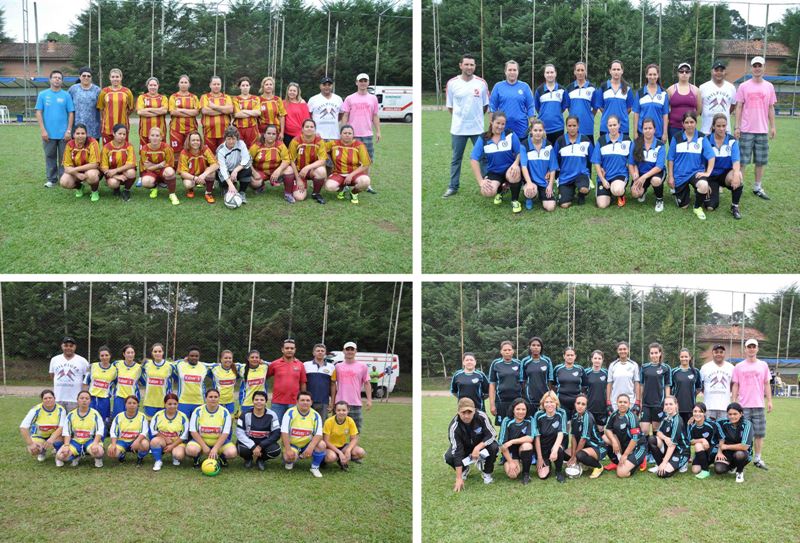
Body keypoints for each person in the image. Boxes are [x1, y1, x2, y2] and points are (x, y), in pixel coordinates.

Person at [442, 54, 489, 198]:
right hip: (458, 129)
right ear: (460, 65)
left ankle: (488, 184)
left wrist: (475, 118)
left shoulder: (481, 83)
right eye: (467, 64)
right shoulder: (452, 83)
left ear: (475, 67)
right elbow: (450, 107)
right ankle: (453, 186)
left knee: (483, 157)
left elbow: (485, 106)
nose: (469, 67)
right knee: (456, 158)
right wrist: (460, 119)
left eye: (472, 65)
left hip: (477, 129)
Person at [734, 56, 776, 200]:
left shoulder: (769, 86)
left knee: (760, 161)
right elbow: (739, 106)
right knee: (743, 161)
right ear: (751, 68)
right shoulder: (744, 86)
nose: (757, 68)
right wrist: (737, 127)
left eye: (760, 66)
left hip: (762, 130)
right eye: (755, 66)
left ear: (764, 68)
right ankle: (739, 185)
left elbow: (771, 107)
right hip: (746, 129)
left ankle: (757, 187)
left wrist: (773, 127)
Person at [470, 111, 524, 214]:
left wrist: (516, 163)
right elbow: (473, 159)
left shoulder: (510, 134)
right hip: (494, 172)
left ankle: (515, 200)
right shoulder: (484, 138)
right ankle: (500, 190)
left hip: (509, 168)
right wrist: (481, 181)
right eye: (497, 123)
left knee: (514, 173)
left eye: (503, 124)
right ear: (491, 122)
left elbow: (519, 151)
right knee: (487, 192)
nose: (500, 126)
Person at [731, 338, 771, 470]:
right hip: (743, 406)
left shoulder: (763, 365)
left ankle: (758, 458)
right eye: (749, 346)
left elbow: (766, 383)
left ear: (757, 348)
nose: (751, 349)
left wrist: (769, 400)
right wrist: (734, 401)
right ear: (745, 349)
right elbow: (735, 384)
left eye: (754, 346)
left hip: (759, 405)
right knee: (742, 434)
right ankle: (740, 457)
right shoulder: (739, 366)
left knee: (759, 433)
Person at [667, 110, 715, 220]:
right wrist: (670, 176)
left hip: (695, 173)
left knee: (703, 185)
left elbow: (711, 156)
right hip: (680, 175)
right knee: (683, 206)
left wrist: (707, 172)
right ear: (683, 124)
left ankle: (697, 207)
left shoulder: (702, 138)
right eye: (687, 122)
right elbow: (670, 159)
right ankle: (680, 193)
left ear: (696, 123)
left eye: (692, 122)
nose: (689, 125)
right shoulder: (676, 137)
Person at [444, 397, 499, 491]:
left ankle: (486, 472)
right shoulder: (454, 427)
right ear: (458, 412)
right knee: (449, 457)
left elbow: (492, 434)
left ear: (474, 411)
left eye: (469, 412)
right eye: (463, 412)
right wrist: (458, 478)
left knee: (494, 447)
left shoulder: (482, 416)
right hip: (465, 448)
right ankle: (464, 469)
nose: (466, 416)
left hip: (481, 446)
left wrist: (477, 448)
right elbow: (457, 451)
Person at [341, 72, 380, 193]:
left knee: (367, 160)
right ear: (356, 82)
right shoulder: (349, 98)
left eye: (365, 81)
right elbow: (345, 115)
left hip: (367, 134)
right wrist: (343, 131)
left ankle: (366, 183)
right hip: (352, 135)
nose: (363, 83)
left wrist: (378, 131)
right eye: (361, 81)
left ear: (368, 83)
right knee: (349, 160)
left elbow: (375, 115)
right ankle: (347, 182)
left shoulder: (373, 98)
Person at [36, 69, 75, 188]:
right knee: (50, 156)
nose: (57, 79)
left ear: (62, 81)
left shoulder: (66, 95)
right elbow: (38, 112)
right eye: (55, 77)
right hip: (48, 134)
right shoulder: (43, 95)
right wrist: (43, 130)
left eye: (59, 78)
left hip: (64, 134)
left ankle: (64, 177)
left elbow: (71, 113)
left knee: (64, 158)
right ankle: (52, 179)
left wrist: (69, 130)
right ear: (50, 79)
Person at [705, 114, 743, 219]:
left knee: (738, 176)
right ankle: (712, 192)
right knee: (710, 207)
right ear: (713, 126)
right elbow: (702, 163)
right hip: (711, 176)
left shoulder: (732, 141)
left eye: (724, 126)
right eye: (718, 126)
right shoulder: (706, 140)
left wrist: (735, 174)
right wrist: (705, 181)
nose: (721, 128)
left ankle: (734, 206)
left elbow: (736, 161)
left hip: (725, 175)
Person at [187, 389, 237, 468]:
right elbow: (193, 431)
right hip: (202, 441)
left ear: (219, 398)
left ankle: (222, 459)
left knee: (232, 452)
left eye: (215, 397)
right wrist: (204, 446)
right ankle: (197, 458)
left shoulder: (225, 412)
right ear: (205, 398)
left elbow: (225, 433)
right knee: (191, 449)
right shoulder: (198, 411)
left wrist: (215, 448)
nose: (213, 399)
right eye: (210, 397)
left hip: (218, 441)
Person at [550, 115, 593, 207]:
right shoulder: (560, 141)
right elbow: (554, 160)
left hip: (581, 174)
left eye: (574, 125)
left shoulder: (585, 140)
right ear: (566, 126)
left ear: (578, 126)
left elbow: (592, 158)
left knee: (584, 189)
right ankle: (570, 191)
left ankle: (581, 194)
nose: (572, 128)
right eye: (569, 126)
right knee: (564, 205)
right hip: (565, 176)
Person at [281, 391, 326, 478]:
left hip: (307, 444)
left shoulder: (316, 415)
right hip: (293, 444)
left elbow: (318, 434)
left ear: (311, 402)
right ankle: (291, 461)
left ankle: (315, 467)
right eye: (302, 400)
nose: (305, 402)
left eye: (307, 400)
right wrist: (288, 449)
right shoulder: (289, 413)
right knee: (288, 457)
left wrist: (310, 447)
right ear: (297, 401)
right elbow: (284, 432)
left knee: (322, 445)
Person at [323, 125, 372, 204]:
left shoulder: (359, 145)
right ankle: (342, 189)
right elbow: (320, 148)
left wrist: (351, 175)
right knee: (329, 187)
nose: (347, 135)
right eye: (345, 133)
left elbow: (366, 164)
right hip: (338, 173)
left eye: (350, 133)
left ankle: (354, 192)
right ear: (340, 134)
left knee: (366, 181)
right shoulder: (333, 144)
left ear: (353, 135)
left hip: (355, 173)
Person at [489, 60, 535, 143]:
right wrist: (492, 124)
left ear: (518, 72)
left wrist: (532, 123)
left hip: (521, 127)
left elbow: (530, 106)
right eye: (510, 70)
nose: (512, 72)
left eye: (514, 70)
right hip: (503, 127)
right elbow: (492, 106)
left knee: (521, 152)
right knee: (505, 153)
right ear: (505, 72)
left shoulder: (525, 86)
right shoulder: (498, 86)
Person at [56, 390, 105, 468]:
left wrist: (95, 443)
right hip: (76, 440)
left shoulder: (95, 414)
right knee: (61, 456)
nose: (84, 400)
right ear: (77, 400)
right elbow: (67, 432)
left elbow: (100, 430)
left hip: (90, 440)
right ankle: (76, 455)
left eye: (87, 398)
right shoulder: (71, 414)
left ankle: (98, 459)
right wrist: (66, 445)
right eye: (81, 398)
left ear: (90, 401)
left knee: (99, 452)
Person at [592, 114, 632, 208]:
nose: (613, 127)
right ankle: (608, 192)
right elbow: (597, 162)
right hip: (605, 176)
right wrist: (602, 179)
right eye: (610, 125)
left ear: (619, 125)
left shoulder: (627, 140)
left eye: (615, 125)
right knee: (602, 205)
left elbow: (631, 161)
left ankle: (620, 194)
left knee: (617, 190)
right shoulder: (601, 141)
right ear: (607, 126)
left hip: (620, 174)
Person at [602, 393, 646, 477]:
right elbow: (607, 429)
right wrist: (614, 441)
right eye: (620, 402)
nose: (622, 404)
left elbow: (635, 439)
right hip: (624, 445)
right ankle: (618, 460)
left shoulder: (632, 417)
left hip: (637, 447)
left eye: (625, 402)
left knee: (621, 473)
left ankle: (639, 459)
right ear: (617, 403)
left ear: (629, 404)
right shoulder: (614, 414)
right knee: (605, 437)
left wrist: (625, 455)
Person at [331, 341, 372, 431]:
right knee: (336, 430)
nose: (350, 351)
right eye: (347, 349)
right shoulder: (337, 366)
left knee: (356, 430)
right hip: (339, 403)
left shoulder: (362, 366)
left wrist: (369, 400)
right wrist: (332, 401)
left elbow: (367, 383)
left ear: (355, 351)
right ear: (343, 351)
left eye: (352, 349)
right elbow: (333, 384)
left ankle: (353, 445)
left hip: (355, 403)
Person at [627, 117, 666, 211]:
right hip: (641, 173)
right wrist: (634, 175)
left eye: (650, 128)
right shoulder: (636, 143)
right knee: (635, 193)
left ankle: (659, 200)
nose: (648, 131)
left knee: (656, 180)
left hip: (655, 173)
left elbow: (659, 167)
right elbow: (631, 163)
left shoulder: (660, 145)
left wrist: (644, 177)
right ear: (642, 130)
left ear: (654, 129)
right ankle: (643, 191)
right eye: (645, 128)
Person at [236, 390, 281, 471]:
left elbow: (276, 433)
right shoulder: (244, 414)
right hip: (249, 442)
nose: (259, 402)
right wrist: (253, 447)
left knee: (275, 450)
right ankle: (248, 459)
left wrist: (261, 446)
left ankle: (261, 459)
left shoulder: (272, 415)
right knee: (241, 449)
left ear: (266, 402)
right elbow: (239, 433)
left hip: (264, 443)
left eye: (262, 400)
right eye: (256, 400)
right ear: (253, 401)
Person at [249, 124, 295, 203]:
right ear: (264, 134)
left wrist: (278, 170)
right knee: (254, 182)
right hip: (261, 171)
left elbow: (286, 160)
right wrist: (254, 172)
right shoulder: (256, 146)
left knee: (289, 169)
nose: (271, 136)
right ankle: (260, 186)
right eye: (269, 133)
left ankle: (288, 193)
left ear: (276, 135)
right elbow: (247, 161)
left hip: (275, 171)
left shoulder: (280, 145)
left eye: (273, 134)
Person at [647, 395, 690, 477]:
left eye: (671, 404)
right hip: (670, 448)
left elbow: (672, 445)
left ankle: (681, 463)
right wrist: (665, 438)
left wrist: (664, 463)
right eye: (666, 404)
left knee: (662, 474)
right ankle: (660, 465)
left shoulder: (677, 420)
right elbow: (658, 432)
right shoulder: (666, 418)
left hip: (680, 451)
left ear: (676, 405)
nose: (668, 406)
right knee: (652, 439)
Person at [19, 389, 66, 463]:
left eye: (50, 398)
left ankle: (58, 455)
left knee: (59, 442)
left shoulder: (61, 409)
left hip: (54, 435)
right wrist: (31, 444)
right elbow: (23, 427)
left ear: (54, 398)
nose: (48, 400)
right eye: (45, 398)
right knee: (33, 450)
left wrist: (51, 439)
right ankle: (41, 452)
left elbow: (61, 427)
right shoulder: (35, 410)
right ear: (42, 400)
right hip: (39, 435)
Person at [567, 393, 607, 479]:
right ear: (575, 404)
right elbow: (573, 437)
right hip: (586, 447)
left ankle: (598, 466)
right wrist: (572, 456)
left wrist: (575, 457)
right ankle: (585, 463)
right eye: (578, 403)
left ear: (586, 406)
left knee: (579, 455)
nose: (580, 406)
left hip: (598, 447)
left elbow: (583, 440)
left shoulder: (587, 417)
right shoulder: (574, 416)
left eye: (583, 404)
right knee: (564, 454)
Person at [288, 118, 328, 204]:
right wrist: (298, 179)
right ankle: (295, 184)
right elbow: (291, 161)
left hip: (311, 171)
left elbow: (322, 160)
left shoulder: (320, 141)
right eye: (307, 127)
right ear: (302, 129)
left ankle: (316, 193)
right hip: (298, 172)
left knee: (321, 171)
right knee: (299, 197)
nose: (309, 128)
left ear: (315, 129)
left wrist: (307, 168)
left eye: (311, 127)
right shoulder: (295, 141)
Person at [267, 339, 308, 423]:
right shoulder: (274, 364)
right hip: (277, 402)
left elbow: (303, 383)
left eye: (292, 348)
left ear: (295, 350)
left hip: (294, 402)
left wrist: (303, 399)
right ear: (282, 349)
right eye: (287, 348)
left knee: (292, 427)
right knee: (276, 427)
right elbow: (264, 377)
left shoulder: (300, 365)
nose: (289, 350)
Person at [520, 119, 556, 211]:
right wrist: (529, 183)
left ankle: (542, 194)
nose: (538, 133)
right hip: (531, 180)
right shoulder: (524, 145)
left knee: (550, 207)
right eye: (535, 130)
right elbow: (523, 166)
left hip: (544, 181)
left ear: (543, 131)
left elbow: (553, 168)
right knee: (530, 192)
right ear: (531, 131)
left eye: (540, 130)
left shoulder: (548, 146)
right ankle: (530, 197)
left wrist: (550, 185)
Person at [532, 391, 569, 483]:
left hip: (557, 443)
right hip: (543, 445)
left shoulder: (562, 412)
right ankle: (547, 462)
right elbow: (536, 437)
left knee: (559, 450)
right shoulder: (538, 415)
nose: (549, 404)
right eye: (546, 402)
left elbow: (561, 433)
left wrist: (555, 450)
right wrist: (539, 457)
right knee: (543, 476)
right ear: (543, 404)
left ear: (556, 403)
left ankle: (559, 471)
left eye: (552, 401)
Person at [59, 123, 101, 200]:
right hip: (76, 172)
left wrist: (75, 170)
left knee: (92, 175)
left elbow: (95, 164)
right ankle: (79, 187)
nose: (80, 135)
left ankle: (94, 191)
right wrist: (77, 174)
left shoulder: (93, 142)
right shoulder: (69, 145)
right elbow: (66, 166)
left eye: (83, 133)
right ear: (73, 135)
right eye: (77, 133)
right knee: (64, 182)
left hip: (90, 170)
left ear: (86, 134)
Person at [498, 398, 535, 484]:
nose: (521, 412)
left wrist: (512, 441)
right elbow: (502, 444)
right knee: (513, 475)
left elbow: (530, 438)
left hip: (522, 449)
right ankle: (516, 462)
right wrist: (510, 462)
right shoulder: (507, 420)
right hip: (510, 452)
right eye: (518, 409)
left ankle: (526, 473)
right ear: (513, 410)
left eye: (523, 409)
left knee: (527, 445)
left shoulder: (530, 419)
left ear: (527, 410)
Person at [148, 392, 189, 471]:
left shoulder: (183, 416)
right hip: (163, 440)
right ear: (165, 404)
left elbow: (184, 435)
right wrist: (165, 438)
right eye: (169, 404)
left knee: (179, 455)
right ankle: (158, 461)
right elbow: (153, 430)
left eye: (175, 404)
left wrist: (172, 446)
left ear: (178, 404)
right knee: (154, 441)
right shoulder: (158, 415)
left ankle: (175, 456)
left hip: (177, 442)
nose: (172, 406)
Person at [714, 402, 754, 483]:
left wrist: (726, 446)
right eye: (730, 414)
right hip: (727, 453)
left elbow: (744, 446)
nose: (732, 416)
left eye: (735, 414)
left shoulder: (747, 424)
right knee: (719, 469)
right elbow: (711, 425)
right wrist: (719, 452)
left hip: (742, 452)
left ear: (741, 414)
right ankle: (732, 466)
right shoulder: (722, 422)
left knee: (739, 454)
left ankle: (739, 472)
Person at [594, 60, 634, 138]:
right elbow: (601, 107)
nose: (616, 72)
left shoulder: (627, 88)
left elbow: (629, 108)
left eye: (618, 69)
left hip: (623, 127)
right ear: (610, 71)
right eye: (614, 69)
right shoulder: (603, 87)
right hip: (606, 127)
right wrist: (608, 113)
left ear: (622, 71)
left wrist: (621, 114)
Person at [49, 336, 89, 412]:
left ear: (75, 347)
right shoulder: (55, 359)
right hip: (58, 398)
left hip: (75, 399)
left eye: (71, 346)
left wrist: (83, 394)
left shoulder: (82, 361)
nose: (68, 348)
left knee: (73, 422)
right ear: (62, 346)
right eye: (66, 345)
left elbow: (87, 378)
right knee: (59, 422)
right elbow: (52, 375)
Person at [139, 127, 178, 205]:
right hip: (151, 172)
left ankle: (172, 194)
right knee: (145, 182)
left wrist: (152, 166)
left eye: (157, 135)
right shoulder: (144, 149)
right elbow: (146, 167)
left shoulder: (166, 148)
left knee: (170, 172)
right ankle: (154, 187)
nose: (155, 138)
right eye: (152, 135)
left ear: (161, 137)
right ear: (149, 137)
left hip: (163, 172)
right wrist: (159, 165)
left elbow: (170, 164)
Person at [177, 130, 219, 203]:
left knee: (212, 171)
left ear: (200, 141)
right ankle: (190, 189)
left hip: (203, 175)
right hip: (192, 176)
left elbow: (216, 164)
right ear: (189, 142)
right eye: (193, 140)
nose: (195, 142)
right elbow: (182, 172)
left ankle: (208, 193)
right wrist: (195, 178)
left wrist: (204, 175)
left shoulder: (205, 149)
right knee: (187, 184)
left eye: (198, 140)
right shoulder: (184, 152)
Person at [168, 75, 201, 167]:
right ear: (178, 84)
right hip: (176, 129)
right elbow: (173, 112)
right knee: (176, 151)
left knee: (192, 149)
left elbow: (196, 112)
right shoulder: (173, 97)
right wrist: (189, 112)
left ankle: (191, 168)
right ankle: (177, 170)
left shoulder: (194, 97)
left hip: (191, 129)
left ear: (189, 84)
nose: (183, 84)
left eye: (185, 82)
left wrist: (181, 110)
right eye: (181, 82)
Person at [107, 395, 150, 466]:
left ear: (137, 405)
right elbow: (113, 432)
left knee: (145, 444)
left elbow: (144, 432)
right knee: (111, 452)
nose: (132, 405)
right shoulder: (119, 416)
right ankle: (121, 454)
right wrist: (113, 444)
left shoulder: (142, 416)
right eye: (129, 403)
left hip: (136, 441)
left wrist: (137, 441)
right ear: (125, 405)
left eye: (134, 403)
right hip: (122, 441)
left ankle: (140, 457)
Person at [632, 64, 669, 143]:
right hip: (642, 132)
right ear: (646, 75)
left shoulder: (663, 93)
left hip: (658, 132)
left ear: (658, 75)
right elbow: (636, 114)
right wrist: (635, 132)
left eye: (655, 74)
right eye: (650, 74)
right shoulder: (640, 93)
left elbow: (665, 115)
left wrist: (665, 133)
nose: (652, 77)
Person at [323, 401, 366, 470]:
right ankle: (323, 461)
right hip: (330, 447)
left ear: (348, 410)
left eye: (344, 410)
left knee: (360, 452)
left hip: (342, 446)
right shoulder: (329, 421)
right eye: (339, 410)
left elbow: (354, 438)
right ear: (335, 411)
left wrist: (348, 450)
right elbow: (326, 441)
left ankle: (342, 460)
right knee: (331, 457)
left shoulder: (350, 421)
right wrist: (339, 452)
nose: (341, 412)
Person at [96, 68, 134, 145]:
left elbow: (131, 108)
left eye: (117, 77)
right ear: (110, 78)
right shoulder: (104, 91)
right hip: (107, 127)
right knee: (107, 150)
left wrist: (123, 115)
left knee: (122, 151)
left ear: (121, 77)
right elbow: (101, 108)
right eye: (113, 77)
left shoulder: (127, 91)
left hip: (123, 126)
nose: (115, 79)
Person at [488, 340, 522, 425]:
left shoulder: (519, 364)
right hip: (501, 401)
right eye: (505, 350)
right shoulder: (496, 364)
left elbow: (523, 383)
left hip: (516, 401)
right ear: (501, 351)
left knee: (517, 425)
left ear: (513, 351)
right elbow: (492, 384)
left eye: (509, 350)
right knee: (503, 425)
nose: (507, 352)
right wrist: (492, 404)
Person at [99, 123, 137, 200]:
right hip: (111, 173)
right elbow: (103, 167)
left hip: (124, 171)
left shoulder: (129, 146)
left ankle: (127, 190)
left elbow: (131, 164)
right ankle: (116, 189)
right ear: (113, 133)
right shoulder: (106, 147)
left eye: (124, 134)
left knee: (131, 172)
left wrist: (116, 170)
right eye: (119, 133)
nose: (122, 136)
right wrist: (115, 175)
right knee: (113, 183)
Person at [217, 125, 255, 203]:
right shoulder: (221, 150)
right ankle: (225, 187)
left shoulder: (241, 144)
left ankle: (242, 192)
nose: (231, 141)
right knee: (219, 172)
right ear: (225, 139)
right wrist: (230, 185)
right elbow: (223, 169)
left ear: (237, 138)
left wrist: (236, 170)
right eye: (229, 139)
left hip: (237, 169)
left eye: (233, 138)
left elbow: (246, 159)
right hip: (226, 170)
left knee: (248, 169)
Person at [699, 60, 736, 137]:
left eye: (721, 70)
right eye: (716, 70)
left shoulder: (731, 87)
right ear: (712, 71)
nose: (719, 73)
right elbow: (699, 108)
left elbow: (732, 106)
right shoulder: (703, 87)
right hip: (707, 129)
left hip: (725, 130)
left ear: (724, 72)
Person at [533, 64, 568, 145]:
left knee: (557, 153)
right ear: (544, 74)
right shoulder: (539, 90)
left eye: (552, 72)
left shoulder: (562, 90)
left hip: (558, 127)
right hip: (543, 128)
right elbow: (538, 108)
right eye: (547, 72)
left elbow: (563, 107)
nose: (550, 74)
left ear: (555, 73)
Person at [84, 346, 116, 434]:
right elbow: (86, 382)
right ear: (99, 356)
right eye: (102, 355)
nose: (104, 357)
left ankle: (101, 437)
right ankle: (89, 436)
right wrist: (85, 396)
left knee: (103, 419)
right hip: (92, 398)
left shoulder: (114, 370)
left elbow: (116, 384)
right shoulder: (93, 366)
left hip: (104, 398)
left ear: (110, 356)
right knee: (89, 417)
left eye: (106, 355)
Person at [666, 62, 702, 142]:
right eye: (681, 71)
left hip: (690, 128)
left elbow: (699, 109)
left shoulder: (696, 90)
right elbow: (665, 110)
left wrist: (690, 118)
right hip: (674, 127)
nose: (684, 73)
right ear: (678, 74)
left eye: (687, 71)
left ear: (690, 74)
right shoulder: (670, 90)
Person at [172, 346, 211, 419]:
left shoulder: (204, 366)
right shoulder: (180, 364)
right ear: (187, 356)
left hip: (199, 402)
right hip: (183, 402)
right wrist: (182, 360)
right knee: (183, 425)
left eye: (196, 356)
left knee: (197, 426)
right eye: (192, 356)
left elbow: (218, 366)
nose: (194, 358)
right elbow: (168, 364)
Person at [565, 61, 597, 144]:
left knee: (589, 153)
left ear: (586, 72)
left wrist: (588, 116)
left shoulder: (592, 88)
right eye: (578, 70)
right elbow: (568, 107)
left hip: (588, 127)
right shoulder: (569, 88)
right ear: (574, 72)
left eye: (582, 70)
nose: (580, 73)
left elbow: (595, 108)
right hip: (573, 127)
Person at [700, 344, 735, 421]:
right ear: (712, 353)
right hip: (709, 407)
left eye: (721, 352)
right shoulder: (705, 367)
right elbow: (701, 385)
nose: (719, 354)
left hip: (725, 407)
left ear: (724, 353)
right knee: (709, 431)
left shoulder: (731, 367)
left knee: (723, 431)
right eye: (716, 352)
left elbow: (733, 385)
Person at [200, 76, 234, 153]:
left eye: (218, 84)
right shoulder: (205, 97)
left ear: (221, 85)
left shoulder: (226, 97)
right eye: (214, 84)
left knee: (225, 155)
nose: (216, 86)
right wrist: (223, 110)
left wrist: (214, 107)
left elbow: (230, 110)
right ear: (210, 85)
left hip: (224, 133)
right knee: (210, 155)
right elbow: (205, 111)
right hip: (209, 133)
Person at [141, 343, 174, 419]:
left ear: (163, 352)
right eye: (155, 351)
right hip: (149, 401)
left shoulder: (169, 366)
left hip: (164, 401)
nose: (157, 353)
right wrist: (145, 383)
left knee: (162, 424)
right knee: (149, 423)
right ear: (152, 353)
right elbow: (139, 373)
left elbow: (177, 377)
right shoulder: (147, 364)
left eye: (160, 351)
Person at [688, 402, 720, 479]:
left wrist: (720, 452)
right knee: (695, 470)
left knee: (698, 445)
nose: (697, 414)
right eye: (695, 411)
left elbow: (721, 438)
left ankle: (705, 470)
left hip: (713, 451)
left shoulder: (712, 424)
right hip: (701, 452)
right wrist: (702, 440)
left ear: (704, 413)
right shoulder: (691, 425)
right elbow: (689, 441)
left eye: (700, 411)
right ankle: (705, 463)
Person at [670, 348, 702, 425]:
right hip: (677, 408)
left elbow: (698, 388)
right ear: (679, 357)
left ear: (690, 357)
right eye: (682, 357)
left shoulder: (696, 371)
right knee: (678, 431)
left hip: (690, 408)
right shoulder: (674, 372)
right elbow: (670, 388)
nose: (684, 359)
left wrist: (691, 397)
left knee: (688, 431)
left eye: (686, 357)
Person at [606, 341, 640, 414]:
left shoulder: (634, 365)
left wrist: (637, 401)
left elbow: (636, 384)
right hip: (615, 401)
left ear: (628, 350)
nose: (622, 351)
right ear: (617, 351)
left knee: (630, 424)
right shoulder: (612, 365)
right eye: (620, 349)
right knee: (615, 424)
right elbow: (609, 384)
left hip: (630, 401)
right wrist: (608, 401)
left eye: (624, 349)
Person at [304, 343, 335, 421]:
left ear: (325, 353)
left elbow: (333, 385)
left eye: (322, 351)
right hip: (308, 401)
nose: (320, 352)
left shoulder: (331, 367)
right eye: (318, 351)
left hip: (324, 401)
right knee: (307, 424)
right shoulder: (306, 365)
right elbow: (302, 383)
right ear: (313, 352)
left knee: (321, 425)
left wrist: (332, 402)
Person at [69, 66, 101, 140]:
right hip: (77, 129)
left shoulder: (97, 90)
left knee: (93, 151)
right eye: (84, 76)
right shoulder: (73, 89)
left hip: (93, 129)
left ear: (91, 77)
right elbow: (68, 108)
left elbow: (101, 109)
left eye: (88, 76)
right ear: (79, 77)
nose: (86, 77)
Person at [307, 76, 342, 141]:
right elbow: (309, 116)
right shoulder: (313, 99)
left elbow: (340, 115)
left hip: (334, 136)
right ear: (320, 86)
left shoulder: (338, 99)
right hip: (317, 135)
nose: (327, 87)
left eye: (329, 85)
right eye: (324, 85)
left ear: (332, 86)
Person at [111, 345, 142, 419]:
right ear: (124, 354)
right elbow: (112, 377)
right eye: (128, 352)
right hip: (119, 397)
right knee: (118, 418)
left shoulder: (139, 367)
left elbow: (144, 381)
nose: (130, 354)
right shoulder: (117, 364)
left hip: (132, 397)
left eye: (132, 352)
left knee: (132, 418)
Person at [582, 350, 609, 434]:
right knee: (588, 431)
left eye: (599, 358)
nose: (597, 360)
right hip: (589, 407)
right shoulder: (586, 372)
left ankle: (600, 447)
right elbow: (582, 390)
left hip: (602, 408)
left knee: (600, 431)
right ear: (591, 359)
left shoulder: (606, 373)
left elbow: (609, 389)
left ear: (602, 360)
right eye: (595, 358)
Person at [520, 337, 553, 407]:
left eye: (538, 345)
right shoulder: (525, 361)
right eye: (533, 345)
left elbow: (550, 380)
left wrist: (549, 395)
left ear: (541, 347)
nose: (536, 347)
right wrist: (526, 394)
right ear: (529, 347)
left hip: (545, 398)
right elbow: (523, 380)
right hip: (530, 398)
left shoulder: (547, 360)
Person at [553, 347, 583, 421]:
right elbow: (553, 384)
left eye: (572, 355)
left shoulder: (580, 369)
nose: (570, 357)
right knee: (563, 425)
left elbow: (585, 385)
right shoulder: (558, 368)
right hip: (561, 402)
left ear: (575, 356)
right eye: (568, 355)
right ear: (564, 356)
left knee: (576, 425)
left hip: (576, 403)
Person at [136, 77, 168, 144]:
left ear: (158, 86)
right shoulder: (142, 97)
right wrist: (158, 112)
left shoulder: (163, 98)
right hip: (145, 132)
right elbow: (140, 112)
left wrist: (148, 109)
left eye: (154, 85)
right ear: (147, 86)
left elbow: (164, 111)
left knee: (160, 153)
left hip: (160, 132)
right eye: (150, 85)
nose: (152, 87)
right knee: (145, 152)